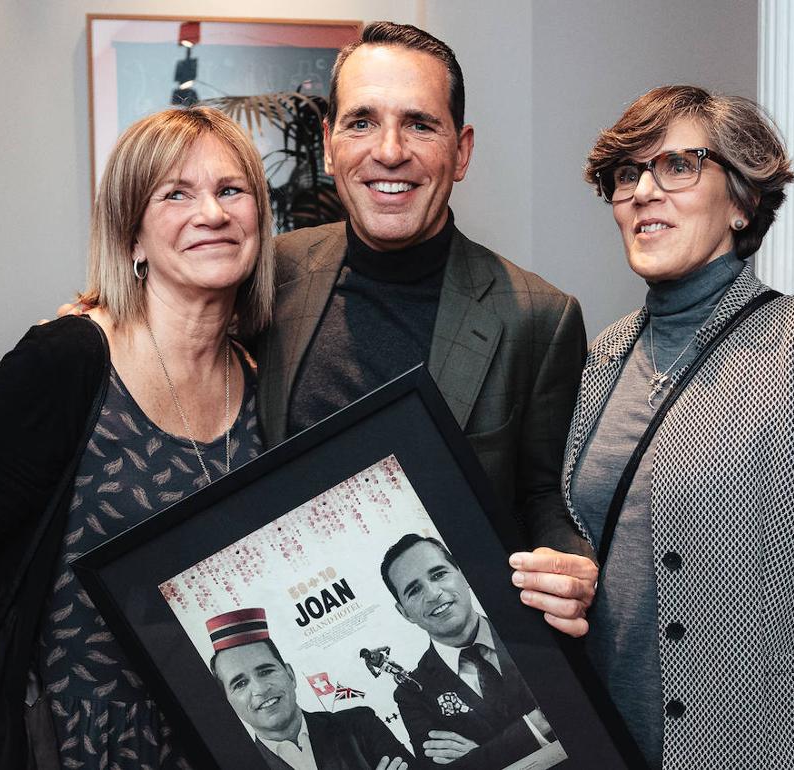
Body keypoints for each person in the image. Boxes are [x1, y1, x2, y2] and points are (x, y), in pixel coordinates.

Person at [0, 106, 274, 769]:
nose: (211, 213)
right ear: (132, 237)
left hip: (221, 731)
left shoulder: (264, 376)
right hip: (76, 733)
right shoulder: (66, 360)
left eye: (230, 190)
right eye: (176, 194)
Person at [567, 85, 794, 769]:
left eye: (678, 165)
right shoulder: (606, 355)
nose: (643, 191)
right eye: (627, 174)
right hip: (608, 743)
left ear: (743, 201)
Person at [253, 21, 598, 637]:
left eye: (419, 124)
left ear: (461, 151)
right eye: (362, 122)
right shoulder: (272, 274)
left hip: (459, 631)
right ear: (329, 145)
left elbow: (544, 493)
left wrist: (565, 565)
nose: (389, 151)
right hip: (305, 632)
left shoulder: (539, 317)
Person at [380, 534, 557, 768]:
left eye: (438, 574)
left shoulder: (527, 623)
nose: (433, 594)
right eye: (414, 590)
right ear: (404, 612)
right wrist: (536, 725)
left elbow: (570, 708)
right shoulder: (412, 694)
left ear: (463, 574)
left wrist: (480, 756)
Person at [207, 608, 410, 770]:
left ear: (290, 675)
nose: (260, 689)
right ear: (227, 702)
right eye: (240, 684)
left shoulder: (359, 725)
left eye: (266, 671)